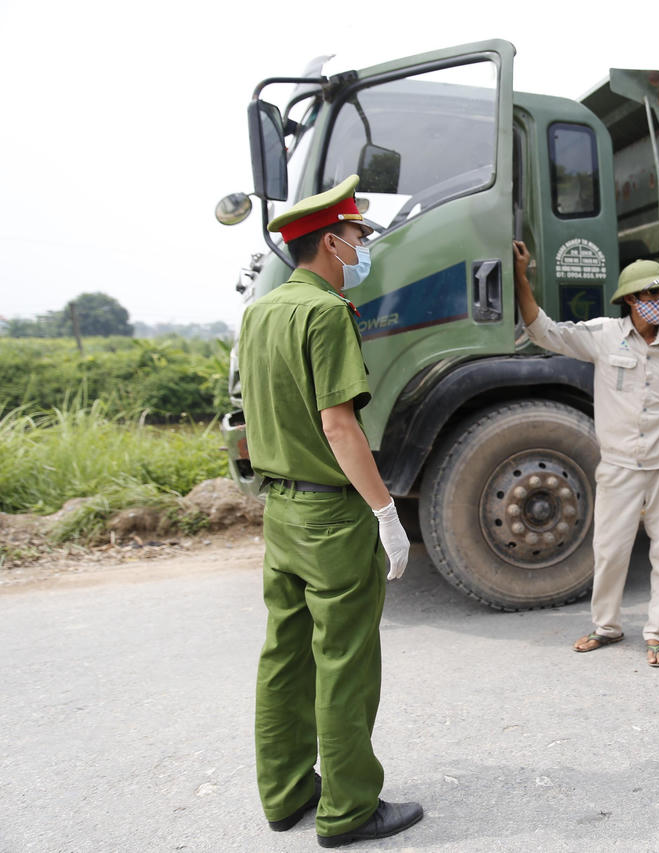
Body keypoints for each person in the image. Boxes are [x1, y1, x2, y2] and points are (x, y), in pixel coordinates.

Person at [239, 174, 423, 845]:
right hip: (329, 516)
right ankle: (348, 810)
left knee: (284, 656)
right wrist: (385, 513)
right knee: (344, 659)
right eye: (356, 235)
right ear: (329, 242)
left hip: (280, 512)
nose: (362, 246)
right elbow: (340, 426)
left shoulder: (261, 312)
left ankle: (286, 794)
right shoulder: (326, 313)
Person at [513, 242, 659, 667]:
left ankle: (658, 634)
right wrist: (522, 276)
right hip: (618, 466)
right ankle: (607, 627)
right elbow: (544, 331)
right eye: (651, 296)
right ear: (631, 300)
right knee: (611, 550)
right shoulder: (602, 335)